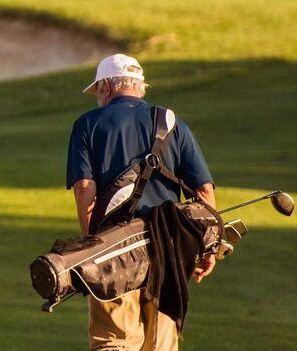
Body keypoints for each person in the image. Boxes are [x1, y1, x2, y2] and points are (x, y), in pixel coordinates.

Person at [67, 54, 216, 351]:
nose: (98, 96)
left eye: (98, 90)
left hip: (115, 247)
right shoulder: (172, 122)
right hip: (170, 248)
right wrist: (208, 246)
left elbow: (85, 188)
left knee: (114, 341)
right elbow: (204, 191)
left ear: (107, 86)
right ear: (140, 87)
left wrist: (91, 243)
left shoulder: (87, 124)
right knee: (161, 342)